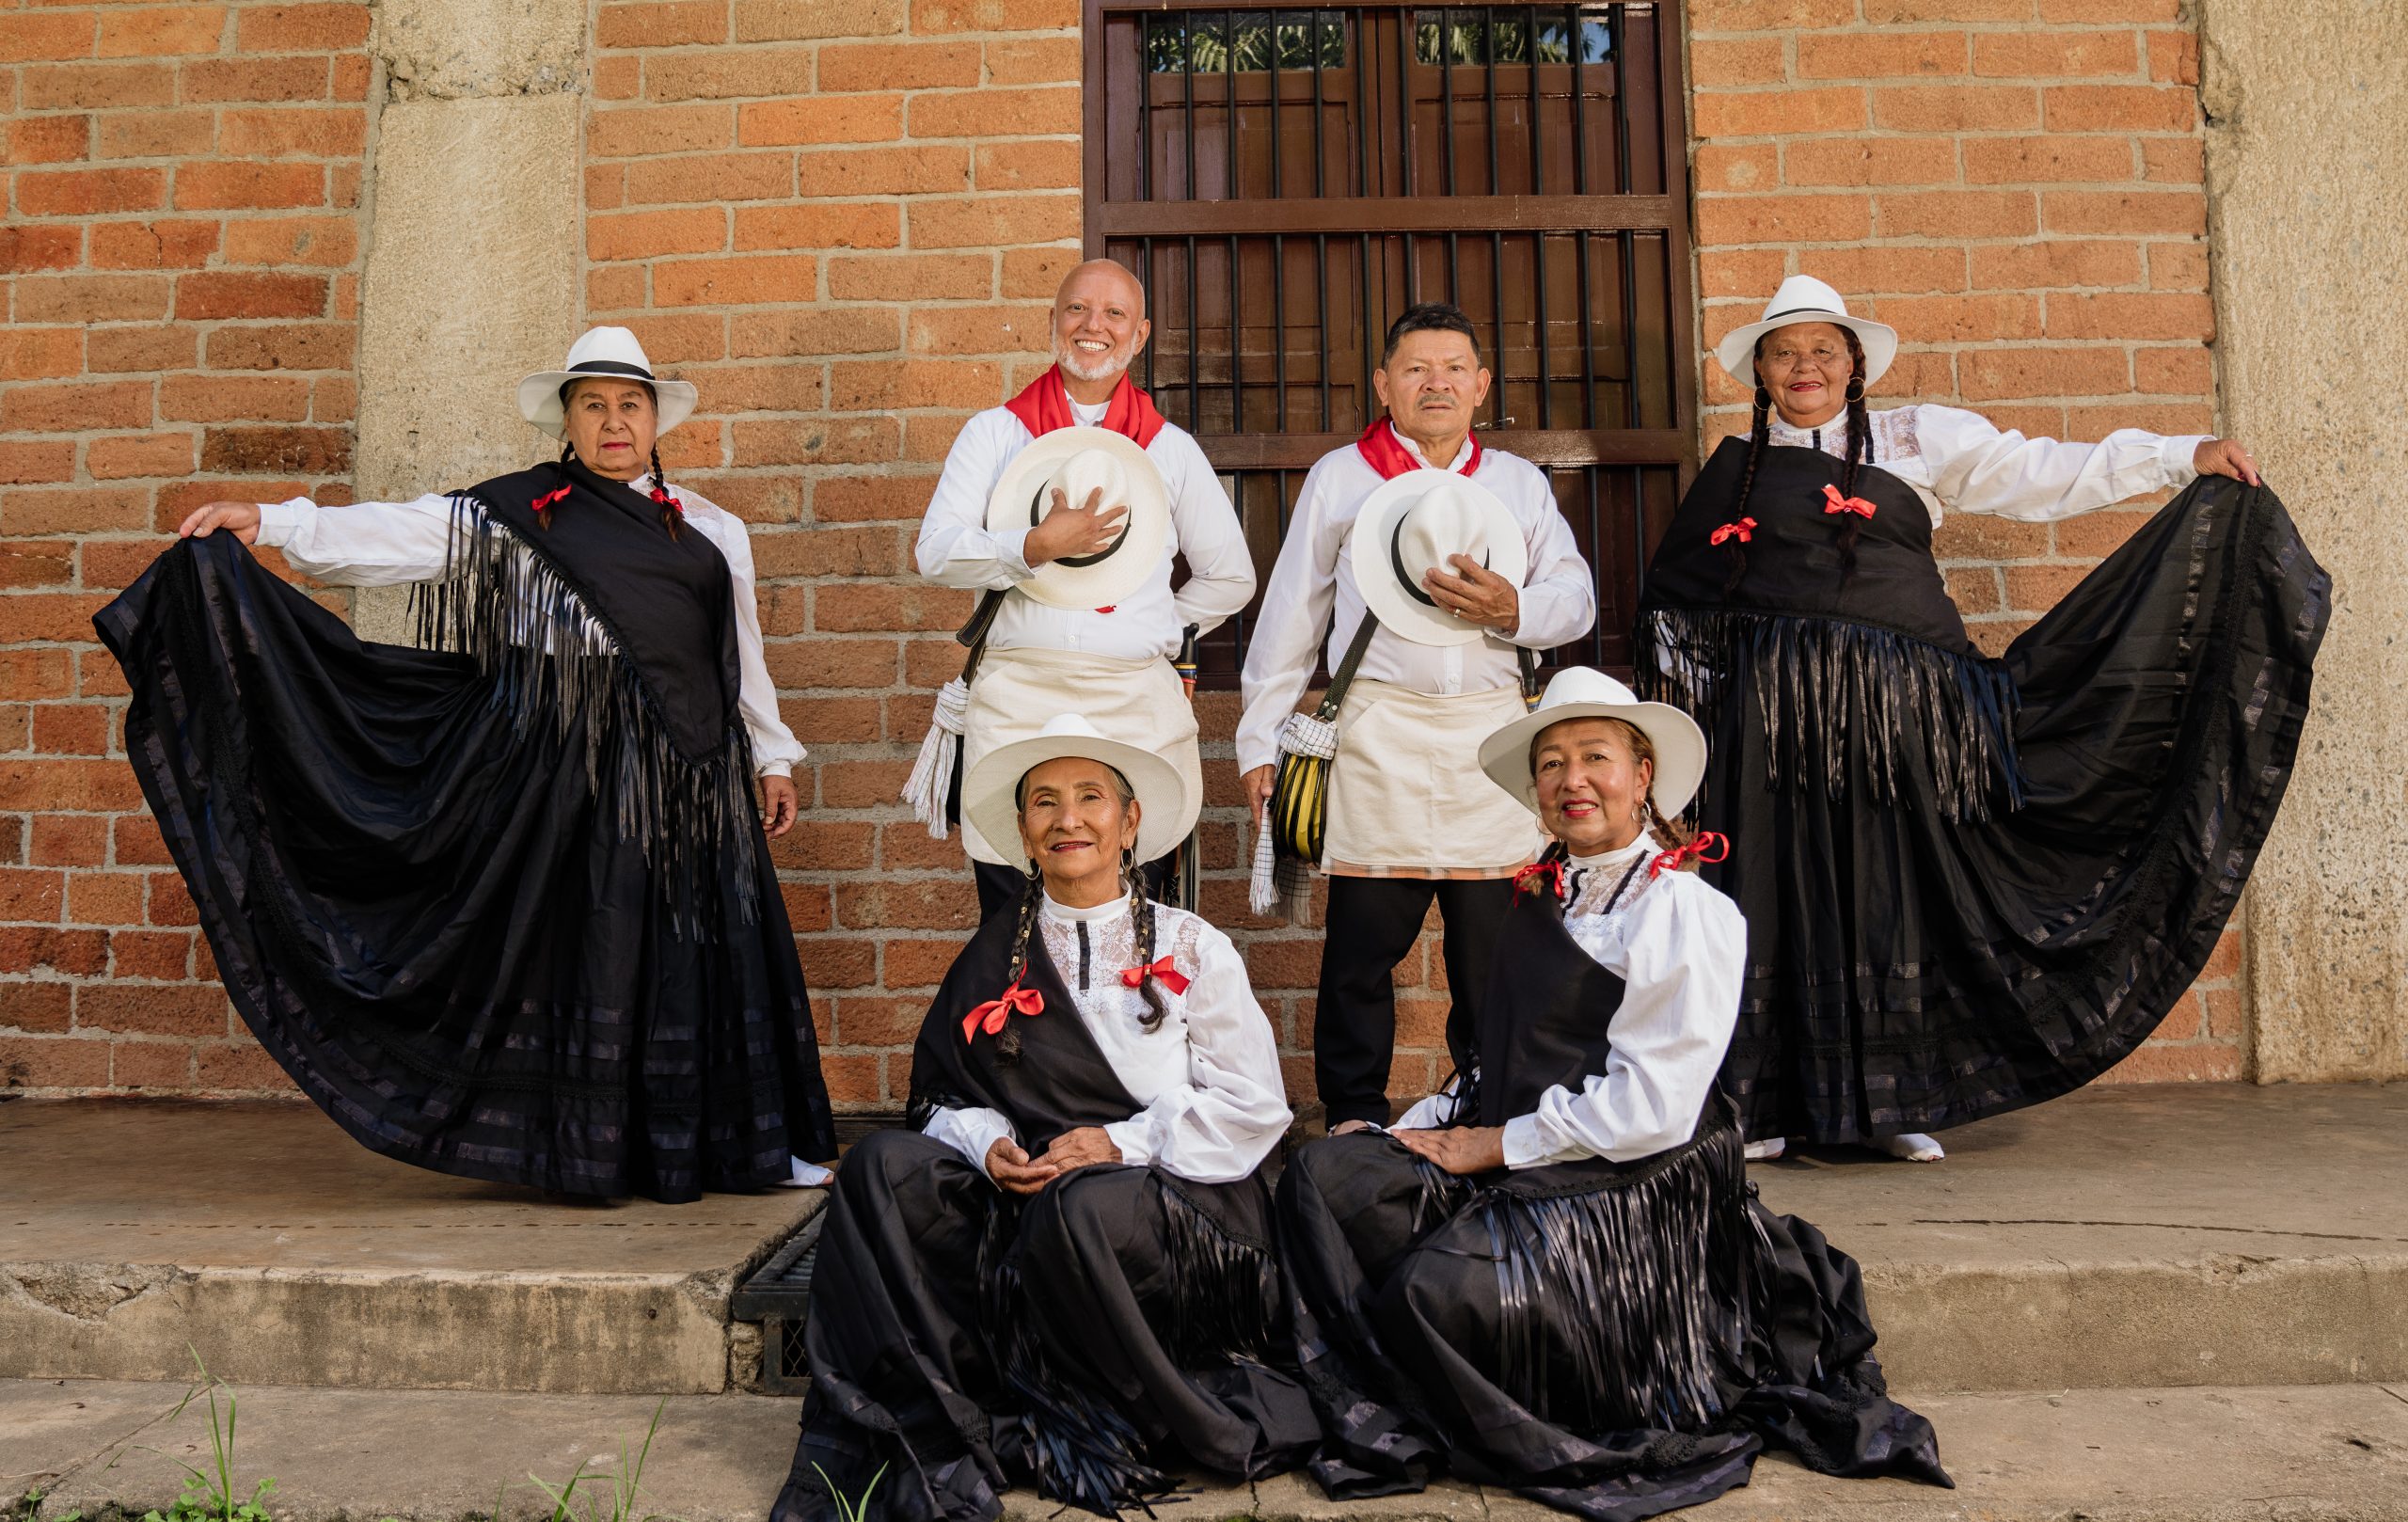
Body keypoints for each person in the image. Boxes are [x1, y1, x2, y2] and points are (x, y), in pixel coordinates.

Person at [99, 325, 837, 1202]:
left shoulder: (713, 531)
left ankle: (738, 1148)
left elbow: (738, 653)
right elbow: (401, 533)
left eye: (629, 405)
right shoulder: (517, 517)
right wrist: (272, 522)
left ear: (655, 421)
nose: (613, 421)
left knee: (699, 952)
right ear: (566, 419)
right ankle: (579, 1146)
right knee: (581, 948)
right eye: (592, 404)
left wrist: (773, 756)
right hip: (562, 765)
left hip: (691, 774)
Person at [1638, 275, 2329, 1162]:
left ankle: (1891, 1105)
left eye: (1823, 350)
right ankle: (1767, 1107)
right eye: (1784, 352)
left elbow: (2043, 472)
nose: (1803, 366)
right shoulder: (1736, 468)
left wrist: (2179, 455)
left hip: (1901, 718)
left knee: (1891, 891)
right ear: (1760, 371)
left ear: (1853, 364)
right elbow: (1681, 610)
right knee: (1770, 893)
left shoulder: (1918, 437)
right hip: (1770, 728)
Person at [1276, 668, 1952, 1520]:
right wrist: (1412, 1130)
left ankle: (1464, 1400)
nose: (1571, 780)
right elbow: (1499, 1061)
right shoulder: (1542, 890)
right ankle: (1372, 1391)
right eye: (1551, 764)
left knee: (1433, 1294)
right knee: (1325, 1179)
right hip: (1525, 1146)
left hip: (1624, 1180)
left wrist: (1496, 1145)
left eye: (1595, 757)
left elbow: (1653, 1109)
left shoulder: (1684, 912)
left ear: (1642, 777)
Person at [772, 712, 1313, 1522]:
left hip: (1166, 1200)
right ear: (1024, 834)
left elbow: (1255, 1106)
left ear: (1130, 823)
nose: (1069, 819)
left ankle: (1105, 1417)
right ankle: (932, 1417)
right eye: (1045, 803)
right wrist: (989, 1144)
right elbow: (939, 1098)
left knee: (1083, 1204)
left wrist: (1116, 1144)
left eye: (1091, 797)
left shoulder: (1194, 946)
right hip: (1028, 1195)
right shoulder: (994, 956)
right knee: (885, 1168)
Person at [1238, 301, 1595, 1132]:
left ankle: (1493, 1114)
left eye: (1452, 369)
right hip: (1375, 735)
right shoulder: (1341, 476)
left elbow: (1575, 599)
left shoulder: (1519, 483)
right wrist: (1260, 738)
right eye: (1415, 369)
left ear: (1481, 386)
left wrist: (1515, 609)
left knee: (1493, 957)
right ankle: (1354, 1118)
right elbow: (1291, 615)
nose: (1435, 384)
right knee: (1359, 954)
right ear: (1383, 385)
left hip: (1492, 742)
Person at [909, 258, 1256, 919]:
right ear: (1053, 323)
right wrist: (1033, 547)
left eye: (1114, 314)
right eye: (1077, 310)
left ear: (1140, 334)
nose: (1093, 326)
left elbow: (1230, 575)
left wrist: (1152, 621)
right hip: (1018, 697)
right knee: (1014, 910)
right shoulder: (995, 433)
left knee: (1136, 906)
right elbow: (937, 552)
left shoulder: (1170, 449)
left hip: (1133, 702)